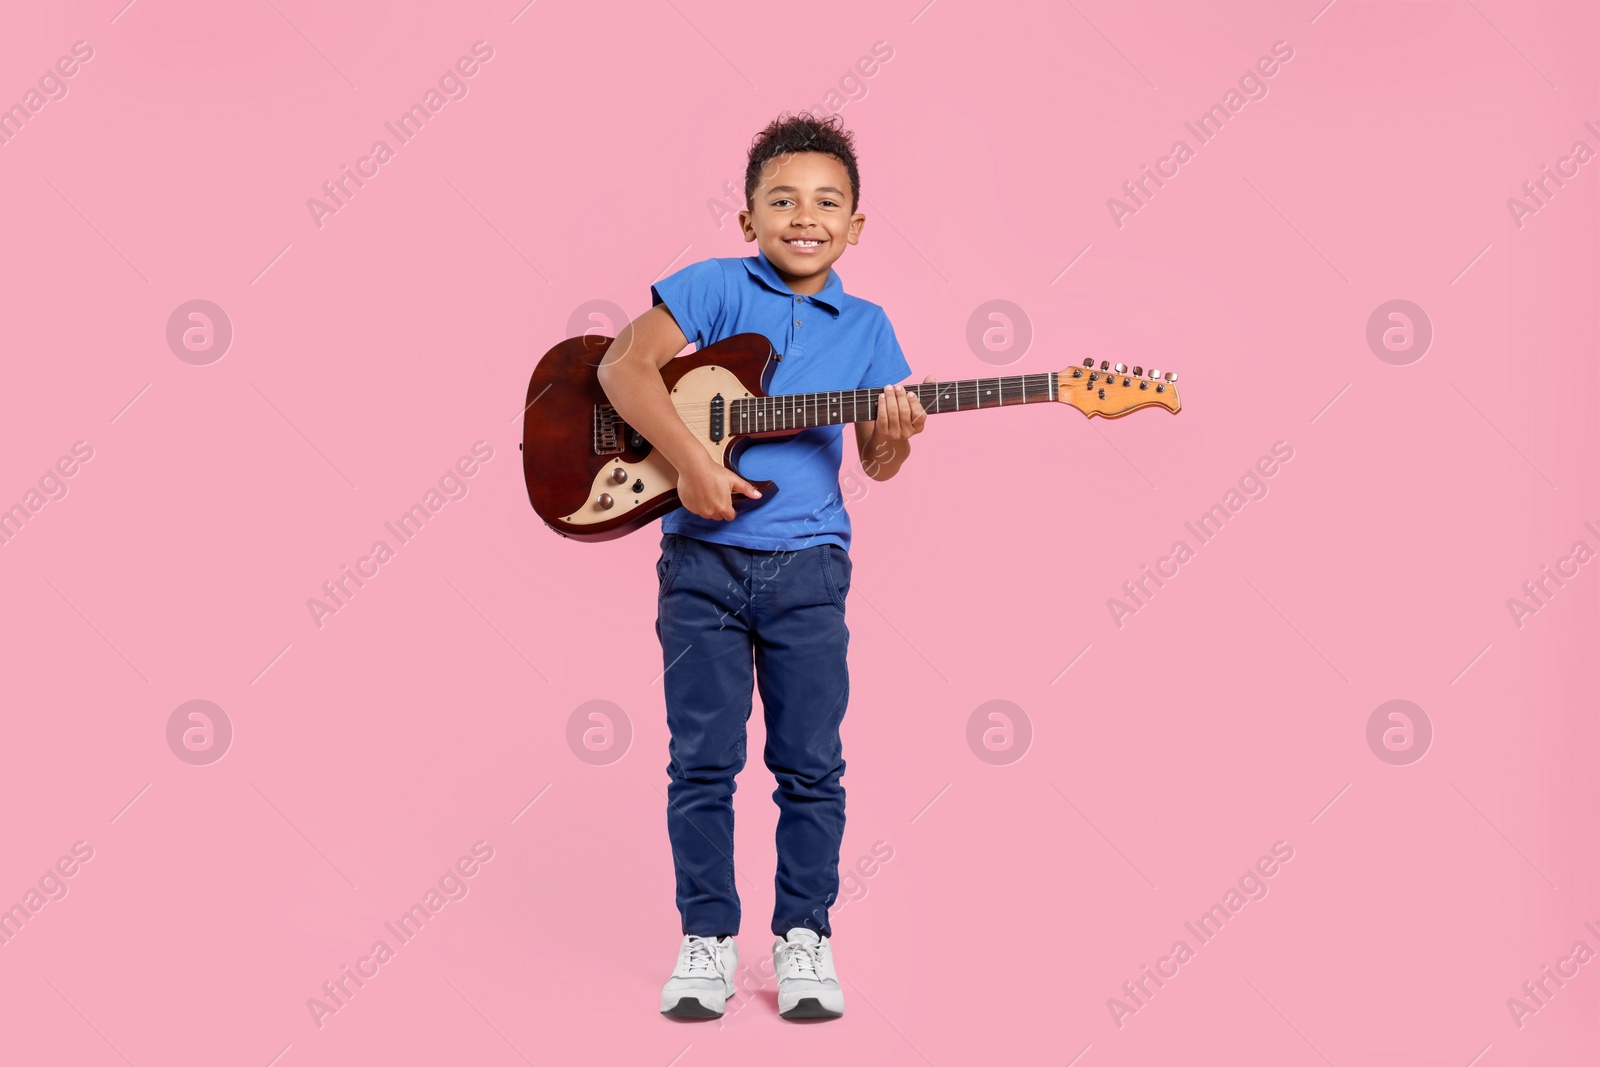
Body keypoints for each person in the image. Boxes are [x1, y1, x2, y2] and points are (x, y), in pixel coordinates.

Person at [596, 111, 932, 1020]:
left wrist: (894, 435)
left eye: (828, 201)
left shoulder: (869, 329)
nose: (804, 215)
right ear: (747, 217)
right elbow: (625, 370)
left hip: (810, 572)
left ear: (856, 225)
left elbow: (878, 462)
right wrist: (695, 460)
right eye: (781, 198)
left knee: (811, 765)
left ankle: (804, 940)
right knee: (702, 762)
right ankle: (706, 939)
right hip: (699, 569)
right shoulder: (711, 290)